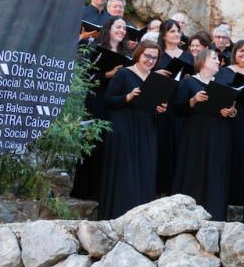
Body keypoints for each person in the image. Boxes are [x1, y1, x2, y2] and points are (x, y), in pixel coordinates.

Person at [98, 40, 168, 219]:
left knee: (145, 169)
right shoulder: (124, 74)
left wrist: (160, 108)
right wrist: (128, 96)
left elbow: (153, 104)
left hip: (146, 128)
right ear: (138, 54)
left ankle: (140, 217)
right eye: (147, 56)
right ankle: (118, 214)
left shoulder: (156, 79)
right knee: (125, 171)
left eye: (154, 57)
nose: (150, 60)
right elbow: (109, 99)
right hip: (124, 127)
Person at [172, 49, 238, 220]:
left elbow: (231, 110)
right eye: (214, 58)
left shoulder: (223, 85)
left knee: (216, 172)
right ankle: (189, 216)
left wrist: (230, 111)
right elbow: (178, 109)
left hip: (219, 134)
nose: (218, 62)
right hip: (196, 135)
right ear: (202, 61)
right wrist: (193, 100)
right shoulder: (189, 83)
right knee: (195, 170)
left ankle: (215, 215)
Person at [72, 15, 129, 200]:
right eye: (118, 27)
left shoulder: (125, 55)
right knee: (93, 145)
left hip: (115, 104)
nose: (122, 30)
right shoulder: (96, 49)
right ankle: (85, 191)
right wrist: (108, 74)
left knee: (108, 147)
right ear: (109, 29)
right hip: (96, 101)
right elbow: (86, 78)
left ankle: (103, 191)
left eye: (124, 28)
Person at [155, 20, 195, 195]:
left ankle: (174, 189)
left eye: (178, 31)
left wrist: (188, 79)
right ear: (163, 34)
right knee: (160, 144)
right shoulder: (157, 54)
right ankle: (156, 187)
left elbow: (194, 79)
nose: (176, 34)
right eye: (172, 31)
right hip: (160, 104)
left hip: (180, 104)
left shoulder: (187, 56)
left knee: (177, 145)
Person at [216, 40, 244, 208]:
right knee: (227, 156)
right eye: (241, 51)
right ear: (234, 53)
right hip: (226, 121)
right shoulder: (224, 72)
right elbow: (217, 95)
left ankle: (242, 199)